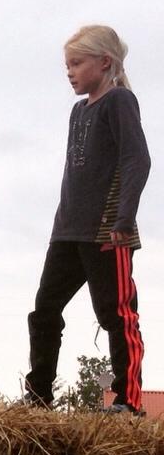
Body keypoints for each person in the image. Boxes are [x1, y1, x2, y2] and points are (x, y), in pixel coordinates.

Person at [25, 25, 151, 415]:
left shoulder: (120, 101)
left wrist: (123, 218)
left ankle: (128, 402)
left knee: (116, 314)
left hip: (106, 230)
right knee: (44, 309)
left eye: (77, 63)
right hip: (67, 231)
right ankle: (39, 397)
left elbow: (137, 159)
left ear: (105, 62)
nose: (70, 71)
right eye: (67, 64)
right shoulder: (78, 111)